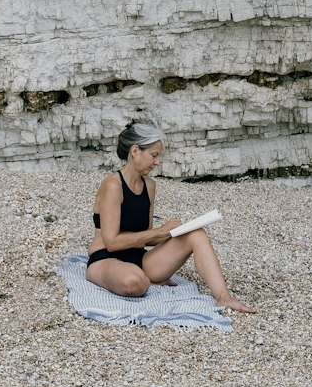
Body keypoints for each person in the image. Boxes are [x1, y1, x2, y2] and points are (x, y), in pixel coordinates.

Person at [86, 118, 255, 313]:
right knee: (135, 282)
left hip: (139, 259)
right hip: (105, 258)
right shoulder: (113, 185)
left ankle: (223, 297)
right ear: (135, 151)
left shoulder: (150, 186)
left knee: (196, 234)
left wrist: (171, 233)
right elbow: (112, 242)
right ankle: (142, 278)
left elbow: (145, 238)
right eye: (154, 155)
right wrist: (157, 232)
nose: (157, 162)